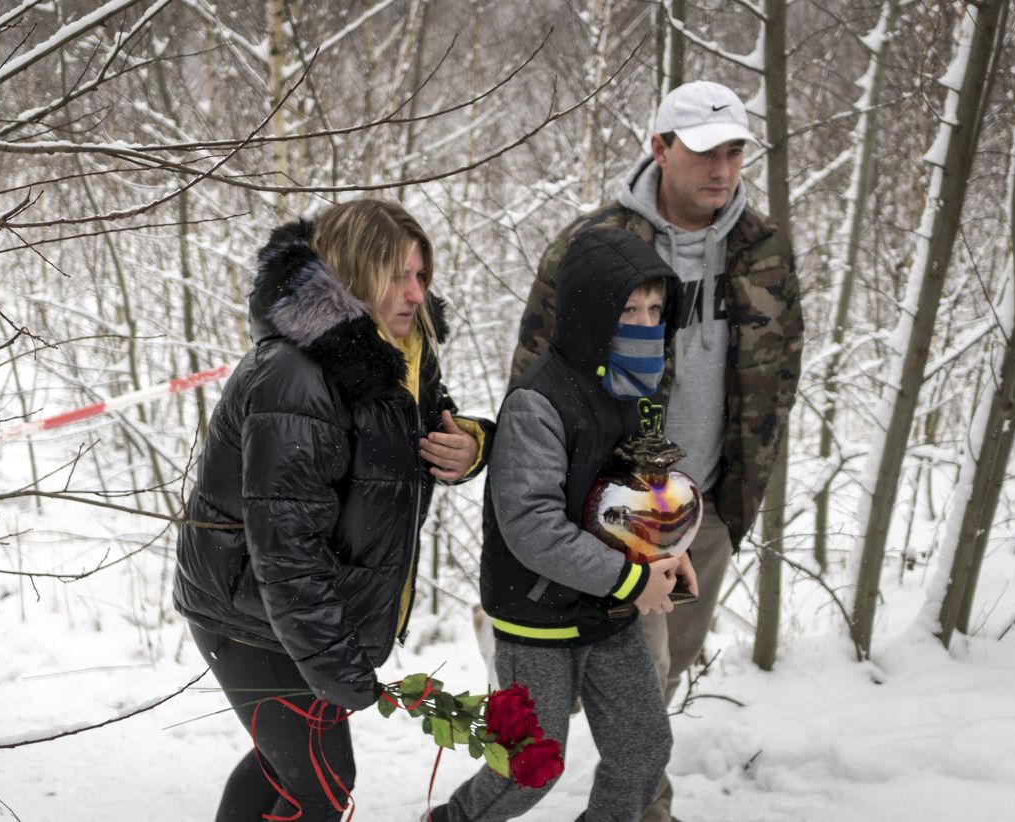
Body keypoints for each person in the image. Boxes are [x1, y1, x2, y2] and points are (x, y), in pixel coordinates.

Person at [510, 81, 804, 822]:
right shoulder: (597, 246)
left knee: (665, 667)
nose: (722, 169)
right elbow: (534, 373)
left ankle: (624, 792)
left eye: (735, 152)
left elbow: (782, 364)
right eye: (705, 152)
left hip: (706, 509)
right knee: (645, 668)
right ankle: (644, 809)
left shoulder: (763, 247)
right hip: (617, 511)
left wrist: (738, 496)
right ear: (660, 148)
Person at [173, 198, 493, 822]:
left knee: (286, 769)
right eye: (396, 275)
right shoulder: (296, 374)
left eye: (421, 276)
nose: (414, 293)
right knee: (323, 782)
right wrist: (335, 662)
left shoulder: (398, 355)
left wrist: (471, 446)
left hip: (301, 613)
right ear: (352, 275)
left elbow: (427, 433)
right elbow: (285, 542)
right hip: (252, 615)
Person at [429, 227, 697, 822]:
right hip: (538, 620)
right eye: (628, 309)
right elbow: (532, 527)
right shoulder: (539, 402)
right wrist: (631, 579)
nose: (645, 323)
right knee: (528, 772)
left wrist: (668, 552)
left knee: (641, 750)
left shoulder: (640, 389)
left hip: (608, 612)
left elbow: (635, 496)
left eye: (656, 310)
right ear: (589, 313)